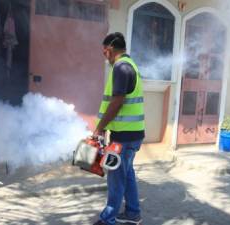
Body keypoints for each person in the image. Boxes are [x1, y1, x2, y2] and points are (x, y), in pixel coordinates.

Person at [93, 32, 145, 225]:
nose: (104, 56)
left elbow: (117, 102)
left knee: (116, 178)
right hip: (132, 133)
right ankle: (133, 213)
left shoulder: (121, 68)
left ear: (110, 50)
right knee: (127, 172)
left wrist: (99, 128)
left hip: (123, 136)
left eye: (104, 52)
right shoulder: (130, 65)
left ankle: (108, 219)